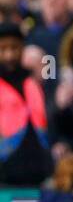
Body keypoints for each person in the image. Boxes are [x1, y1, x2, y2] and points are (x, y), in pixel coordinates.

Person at [0, 22, 53, 187]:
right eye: (3, 49)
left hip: (38, 170)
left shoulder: (32, 83)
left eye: (14, 48)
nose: (9, 55)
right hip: (5, 170)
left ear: (22, 48)